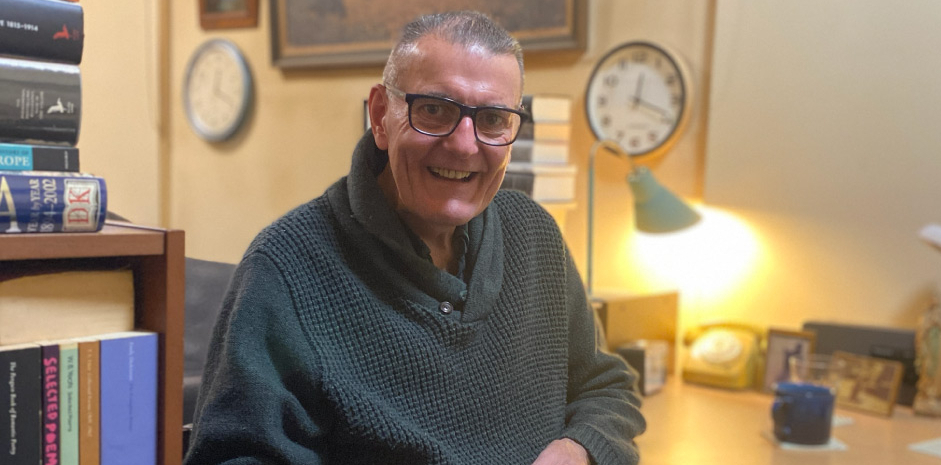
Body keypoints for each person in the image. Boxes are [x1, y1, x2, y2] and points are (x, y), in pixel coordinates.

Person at [184, 10, 645, 465]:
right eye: (434, 110)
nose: (465, 145)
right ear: (381, 116)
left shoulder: (535, 235)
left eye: (493, 120)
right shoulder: (285, 268)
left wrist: (578, 449)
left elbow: (605, 388)